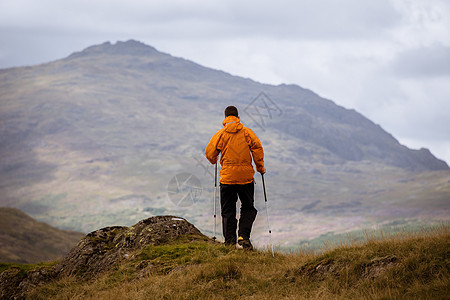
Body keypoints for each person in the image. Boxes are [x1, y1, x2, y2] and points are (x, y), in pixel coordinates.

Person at [205, 105, 265, 250]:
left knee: (228, 211)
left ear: (225, 118)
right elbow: (257, 148)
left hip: (227, 180)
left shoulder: (220, 134)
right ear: (238, 117)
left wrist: (214, 160)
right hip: (245, 179)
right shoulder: (247, 132)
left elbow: (209, 153)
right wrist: (260, 168)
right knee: (248, 208)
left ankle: (230, 243)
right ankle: (243, 236)